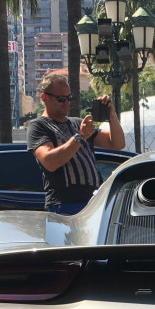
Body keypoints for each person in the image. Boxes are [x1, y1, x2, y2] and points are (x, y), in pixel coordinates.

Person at [27, 75, 125, 214]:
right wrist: (80, 137)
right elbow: (49, 162)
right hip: (63, 204)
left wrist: (111, 116)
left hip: (92, 203)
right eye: (60, 99)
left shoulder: (78, 123)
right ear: (44, 98)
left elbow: (117, 144)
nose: (66, 102)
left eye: (69, 98)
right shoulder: (38, 126)